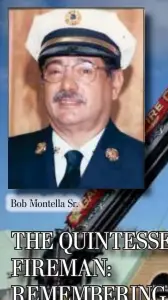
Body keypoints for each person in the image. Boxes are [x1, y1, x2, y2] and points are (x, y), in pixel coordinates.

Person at [8, 8, 144, 190]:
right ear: (42, 83)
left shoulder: (142, 161)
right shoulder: (12, 156)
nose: (67, 85)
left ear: (115, 82)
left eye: (85, 71)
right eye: (55, 71)